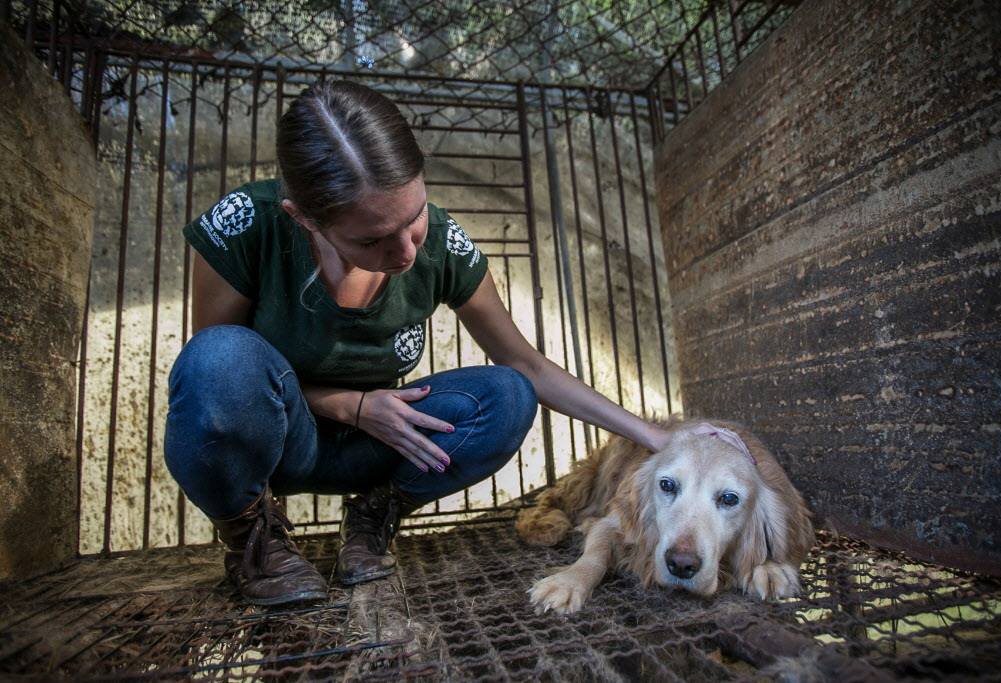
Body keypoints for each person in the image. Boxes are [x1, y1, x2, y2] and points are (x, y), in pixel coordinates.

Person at [163, 80, 673, 606]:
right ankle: (254, 538)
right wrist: (352, 405)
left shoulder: (443, 243)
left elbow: (528, 365)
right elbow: (222, 390)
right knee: (219, 359)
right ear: (304, 218)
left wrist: (655, 437)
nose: (406, 251)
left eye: (414, 218)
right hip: (278, 442)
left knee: (509, 394)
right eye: (371, 240)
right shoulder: (246, 224)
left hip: (380, 448)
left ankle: (373, 516)